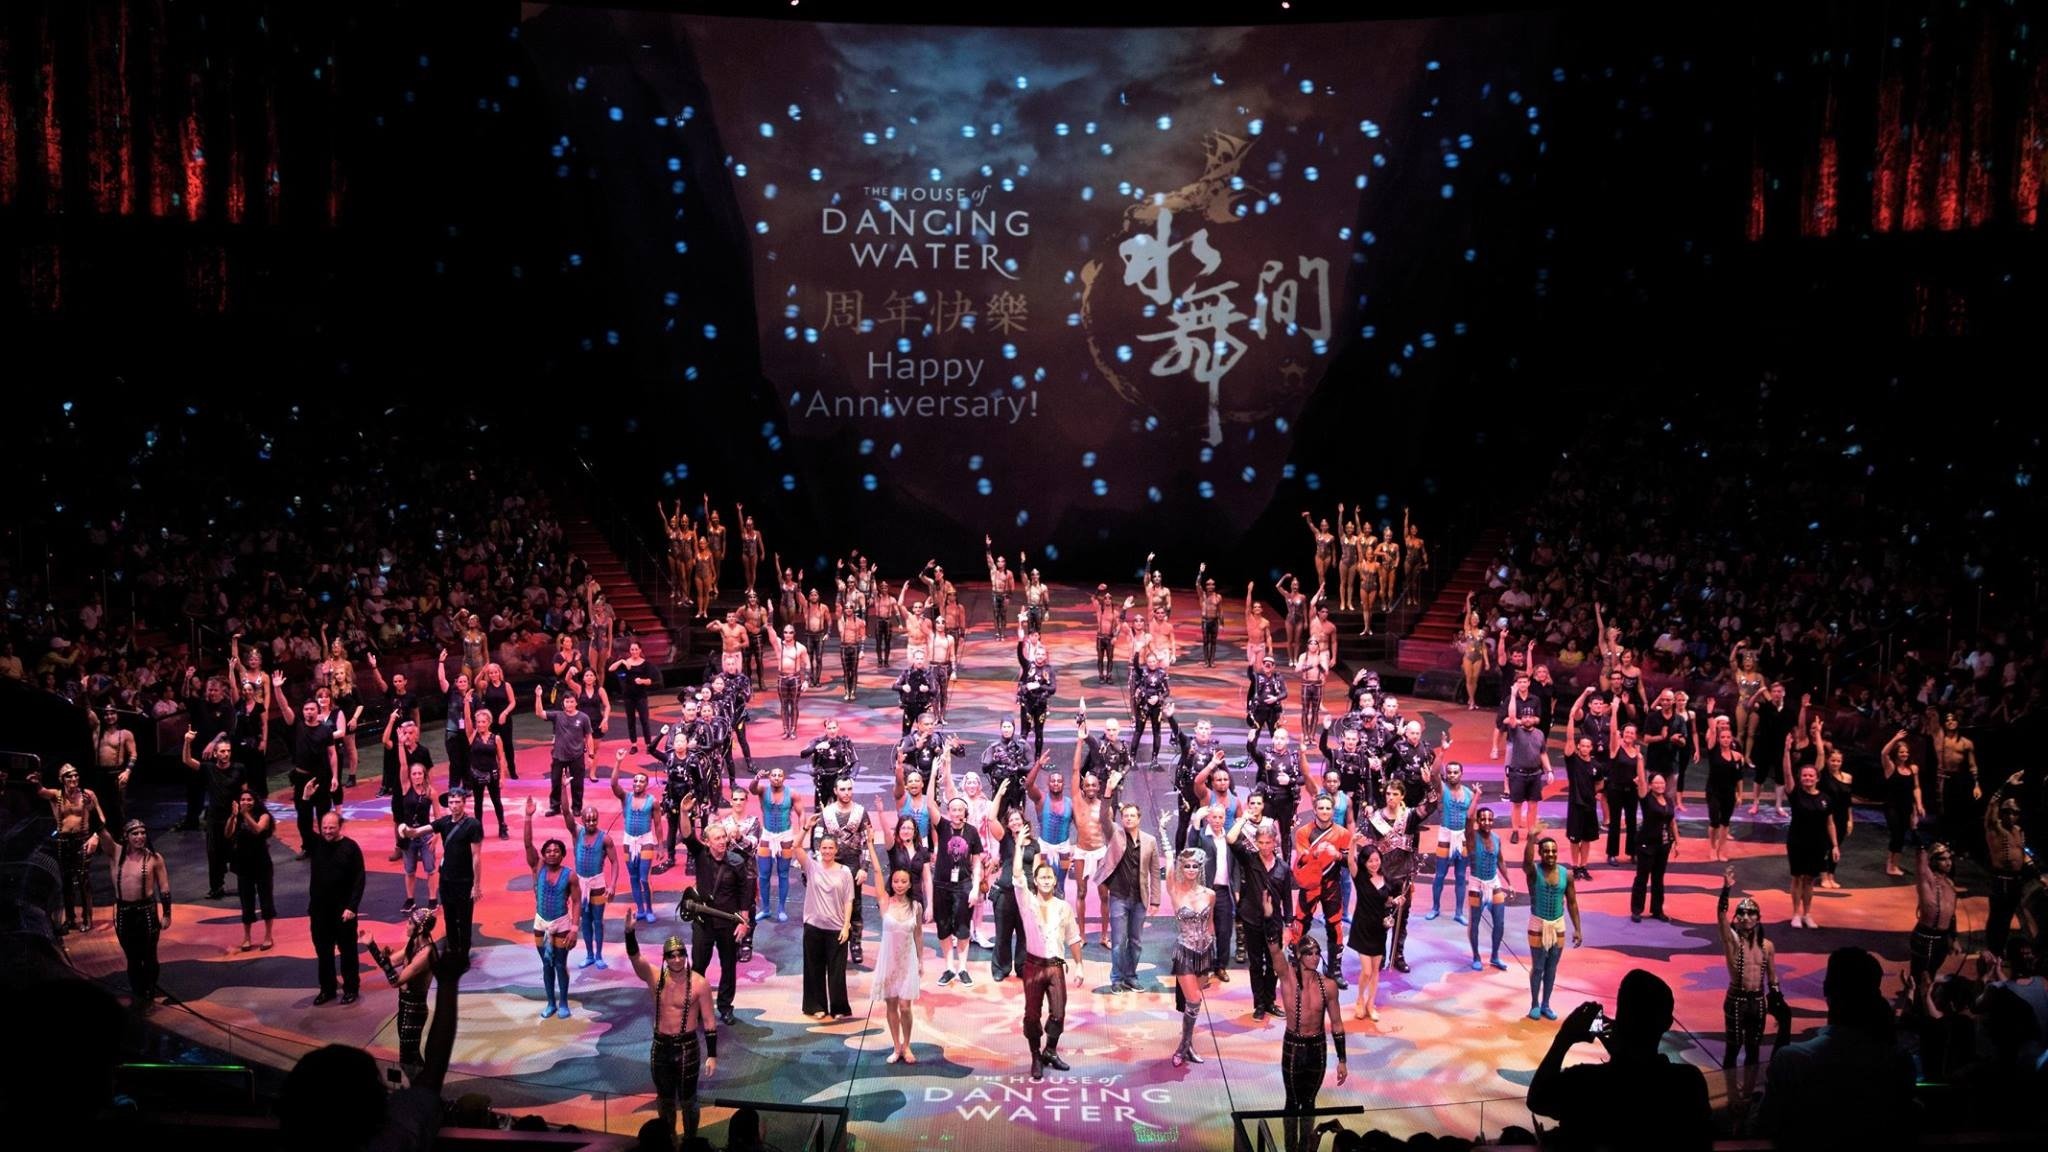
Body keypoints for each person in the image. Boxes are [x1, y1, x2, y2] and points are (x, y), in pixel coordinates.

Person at [1525, 968, 1711, 1152]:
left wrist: (1564, 1038)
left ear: (1620, 1017)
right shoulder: (1689, 1083)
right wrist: (1623, 1051)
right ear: (1667, 1023)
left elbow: (1537, 1099)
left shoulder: (1585, 1083)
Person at [1753, 947, 1916, 1150]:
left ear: (1826, 989)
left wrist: (1784, 1027)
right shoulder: (1899, 1059)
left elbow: (1766, 1124)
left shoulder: (1794, 1059)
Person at [625, 920, 719, 1148]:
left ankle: (690, 1141)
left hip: (687, 1047)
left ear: (685, 955)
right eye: (671, 956)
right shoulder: (655, 977)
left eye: (680, 955)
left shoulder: (699, 983)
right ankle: (667, 1142)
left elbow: (708, 1019)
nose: (676, 959)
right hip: (660, 1045)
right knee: (665, 1100)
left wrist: (712, 1054)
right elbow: (636, 958)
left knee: (688, 1101)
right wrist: (629, 932)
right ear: (665, 958)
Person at [677, 796, 758, 1025]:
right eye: (717, 838)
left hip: (728, 924)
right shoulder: (700, 855)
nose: (722, 841)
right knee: (699, 967)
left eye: (724, 837)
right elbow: (686, 835)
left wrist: (744, 921)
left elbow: (745, 893)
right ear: (708, 841)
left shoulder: (737, 861)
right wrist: (684, 813)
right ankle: (697, 1006)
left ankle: (725, 1007)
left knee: (729, 967)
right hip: (703, 922)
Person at [1269, 931, 1348, 1152]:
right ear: (1299, 955)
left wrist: (1342, 1060)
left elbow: (1337, 1023)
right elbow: (1274, 951)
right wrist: (1268, 920)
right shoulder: (1287, 978)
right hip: (1294, 1047)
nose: (1314, 957)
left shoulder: (1329, 985)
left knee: (1310, 1102)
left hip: (1317, 1048)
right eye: (1309, 953)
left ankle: (1305, 1149)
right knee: (1293, 1101)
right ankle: (1290, 1148)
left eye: (1317, 953)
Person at [1014, 858, 1088, 1080]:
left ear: (1055, 881)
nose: (1046, 881)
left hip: (1056, 966)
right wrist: (1018, 844)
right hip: (1033, 966)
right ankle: (1035, 1056)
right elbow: (1018, 875)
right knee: (1031, 1015)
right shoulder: (1027, 903)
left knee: (1058, 1013)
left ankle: (1050, 1050)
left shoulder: (1063, 907)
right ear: (1035, 881)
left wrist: (1080, 966)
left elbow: (1074, 938)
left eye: (1049, 877)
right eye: (1042, 877)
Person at [1715, 863, 1778, 1109]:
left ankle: (1749, 1094)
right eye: (1741, 913)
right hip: (1737, 999)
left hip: (1758, 1001)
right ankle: (1730, 1095)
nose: (1745, 917)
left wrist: (1777, 999)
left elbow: (1772, 977)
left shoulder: (1767, 946)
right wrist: (1725, 891)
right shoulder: (1732, 941)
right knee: (1733, 1049)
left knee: (1753, 1050)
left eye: (1751, 913)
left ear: (1758, 918)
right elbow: (1721, 918)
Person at [1096, 779, 1161, 994]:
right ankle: (1116, 978)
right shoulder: (1115, 834)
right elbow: (1103, 816)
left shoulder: (1150, 841)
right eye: (1125, 815)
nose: (1129, 818)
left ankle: (1131, 976)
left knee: (1135, 941)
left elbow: (1154, 871)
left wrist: (1155, 900)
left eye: (1133, 815)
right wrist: (1108, 790)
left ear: (1139, 818)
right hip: (1119, 897)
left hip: (1140, 898)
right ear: (1121, 818)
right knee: (1118, 941)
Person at [363, 906, 439, 1083]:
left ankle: (423, 1091)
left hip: (414, 1009)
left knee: (408, 1060)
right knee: (410, 1057)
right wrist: (374, 949)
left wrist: (372, 947)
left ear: (419, 928)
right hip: (405, 1006)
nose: (406, 925)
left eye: (410, 923)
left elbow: (395, 981)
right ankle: (424, 1089)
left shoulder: (426, 953)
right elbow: (389, 963)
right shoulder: (413, 944)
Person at [522, 798, 583, 1018]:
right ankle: (550, 1002)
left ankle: (564, 1001)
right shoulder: (537, 867)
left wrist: (575, 928)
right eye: (548, 850)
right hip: (540, 923)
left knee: (560, 963)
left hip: (561, 924)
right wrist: (528, 817)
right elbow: (528, 844)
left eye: (556, 850)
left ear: (562, 854)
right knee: (546, 964)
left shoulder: (570, 875)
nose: (552, 853)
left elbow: (577, 901)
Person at [794, 811, 857, 1019]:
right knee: (814, 968)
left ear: (837, 850)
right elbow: (795, 848)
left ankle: (839, 1008)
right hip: (813, 926)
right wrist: (806, 828)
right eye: (824, 848)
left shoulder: (845, 872)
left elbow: (849, 900)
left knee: (837, 972)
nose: (827, 851)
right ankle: (816, 1006)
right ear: (819, 850)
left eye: (831, 848)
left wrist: (847, 925)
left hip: (837, 928)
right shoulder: (811, 867)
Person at [1521, 821, 1582, 1020]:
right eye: (1546, 851)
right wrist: (1531, 838)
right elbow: (1526, 863)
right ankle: (1535, 1004)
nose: (1551, 855)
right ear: (1540, 853)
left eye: (1554, 851)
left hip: (1558, 925)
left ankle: (1546, 1003)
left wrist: (1577, 929)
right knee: (1538, 966)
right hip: (1538, 924)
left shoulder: (1567, 875)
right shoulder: (1534, 872)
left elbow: (1572, 903)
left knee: (1552, 967)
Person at [108, 820, 171, 1010]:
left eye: (143, 833)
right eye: (135, 833)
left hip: (146, 913)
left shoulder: (154, 858)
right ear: (126, 836)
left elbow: (164, 888)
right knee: (132, 958)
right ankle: (138, 993)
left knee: (149, 955)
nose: (140, 837)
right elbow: (101, 830)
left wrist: (167, 913)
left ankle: (149, 991)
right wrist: (93, 807)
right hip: (124, 912)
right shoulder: (116, 854)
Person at [1164, 847, 1217, 1066]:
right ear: (1181, 867)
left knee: (1192, 1003)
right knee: (1194, 1000)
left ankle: (1187, 1045)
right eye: (1187, 866)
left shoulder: (1209, 894)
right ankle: (1183, 1047)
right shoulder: (1175, 890)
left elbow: (1211, 924)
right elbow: (1168, 866)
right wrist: (1165, 836)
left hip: (1205, 953)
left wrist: (1213, 958)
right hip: (1185, 951)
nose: (1191, 869)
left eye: (1195, 866)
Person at [307, 810, 365, 1006]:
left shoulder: (351, 848)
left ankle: (351, 988)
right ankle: (327, 989)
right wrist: (305, 800)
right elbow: (304, 825)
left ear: (340, 826)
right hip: (319, 911)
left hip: (344, 912)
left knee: (348, 951)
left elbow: (359, 879)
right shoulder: (316, 844)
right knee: (323, 952)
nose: (328, 831)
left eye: (332, 828)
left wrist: (352, 907)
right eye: (324, 828)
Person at [873, 865, 927, 1063]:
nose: (899, 885)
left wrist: (921, 960)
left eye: (904, 881)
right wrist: (870, 842)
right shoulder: (885, 902)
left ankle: (907, 1045)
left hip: (907, 960)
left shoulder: (916, 907)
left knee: (905, 1007)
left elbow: (918, 934)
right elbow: (878, 873)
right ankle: (897, 1047)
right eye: (896, 881)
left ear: (910, 883)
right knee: (892, 1004)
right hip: (888, 961)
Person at [563, 801, 621, 969]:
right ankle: (589, 955)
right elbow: (566, 811)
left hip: (597, 883)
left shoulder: (605, 838)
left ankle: (599, 955)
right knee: (585, 921)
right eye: (588, 820)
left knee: (597, 921)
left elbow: (615, 862)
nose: (591, 823)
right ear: (582, 820)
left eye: (594, 820)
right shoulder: (577, 833)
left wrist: (612, 886)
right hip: (580, 884)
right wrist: (564, 788)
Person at [1907, 838, 1958, 1019]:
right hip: (1925, 937)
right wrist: (1916, 834)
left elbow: (1952, 914)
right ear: (1934, 861)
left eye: (1949, 858)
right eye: (1943, 859)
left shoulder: (1950, 884)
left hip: (1942, 939)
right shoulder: (1927, 880)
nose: (1948, 862)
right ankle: (1913, 1013)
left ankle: (1923, 1010)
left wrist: (1954, 937)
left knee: (1931, 976)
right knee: (1921, 978)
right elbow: (1921, 861)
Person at [1785, 762, 1839, 929]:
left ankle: (1807, 914)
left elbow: (1830, 823)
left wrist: (1835, 845)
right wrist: (1786, 752)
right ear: (1800, 778)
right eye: (1804, 775)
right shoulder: (1796, 795)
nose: (1807, 778)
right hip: (1797, 842)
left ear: (1817, 778)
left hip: (1818, 844)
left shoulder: (1825, 799)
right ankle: (1795, 913)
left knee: (1810, 879)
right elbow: (1787, 774)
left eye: (1811, 775)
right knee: (1797, 877)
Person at [224, 787, 277, 952]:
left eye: (249, 799)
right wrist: (233, 816)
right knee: (246, 900)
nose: (245, 802)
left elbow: (258, 830)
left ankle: (268, 936)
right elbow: (227, 834)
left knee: (265, 898)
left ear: (255, 801)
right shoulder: (237, 817)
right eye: (243, 800)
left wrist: (245, 814)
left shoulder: (264, 816)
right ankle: (247, 937)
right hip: (243, 864)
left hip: (261, 863)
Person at [1346, 845, 1394, 1021]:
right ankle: (1359, 999)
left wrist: (1395, 901)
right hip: (1362, 928)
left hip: (1379, 929)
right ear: (1364, 862)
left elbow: (1386, 901)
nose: (1374, 863)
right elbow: (1350, 860)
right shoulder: (1360, 877)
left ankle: (1370, 1004)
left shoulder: (1385, 878)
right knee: (1366, 971)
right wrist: (1352, 842)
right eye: (1370, 861)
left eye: (1376, 860)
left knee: (1375, 971)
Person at [536, 683, 596, 819]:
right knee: (555, 781)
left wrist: (591, 755)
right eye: (567, 701)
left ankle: (576, 807)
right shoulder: (557, 715)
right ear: (563, 703)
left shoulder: (583, 718)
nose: (569, 704)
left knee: (577, 784)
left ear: (576, 703)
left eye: (572, 702)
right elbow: (539, 713)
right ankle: (555, 806)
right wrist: (538, 696)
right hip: (559, 755)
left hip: (577, 755)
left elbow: (589, 736)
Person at [1465, 806, 1512, 971]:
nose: (1486, 822)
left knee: (1499, 923)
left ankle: (1495, 956)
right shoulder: (1471, 836)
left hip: (1494, 883)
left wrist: (1509, 882)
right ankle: (1476, 956)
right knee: (1475, 922)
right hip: (1476, 885)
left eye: (1490, 819)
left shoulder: (1497, 838)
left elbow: (1501, 861)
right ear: (1478, 821)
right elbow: (1468, 817)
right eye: (1483, 819)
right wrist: (1477, 797)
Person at [1880, 729, 1925, 877]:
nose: (1904, 755)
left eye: (1906, 752)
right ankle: (1890, 864)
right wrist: (1895, 738)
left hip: (1906, 806)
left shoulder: (1913, 769)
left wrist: (1919, 805)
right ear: (1896, 753)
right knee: (1896, 833)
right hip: (1892, 806)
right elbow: (1883, 753)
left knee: (1902, 835)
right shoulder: (1891, 767)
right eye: (1901, 752)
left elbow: (1916, 788)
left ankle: (1895, 864)